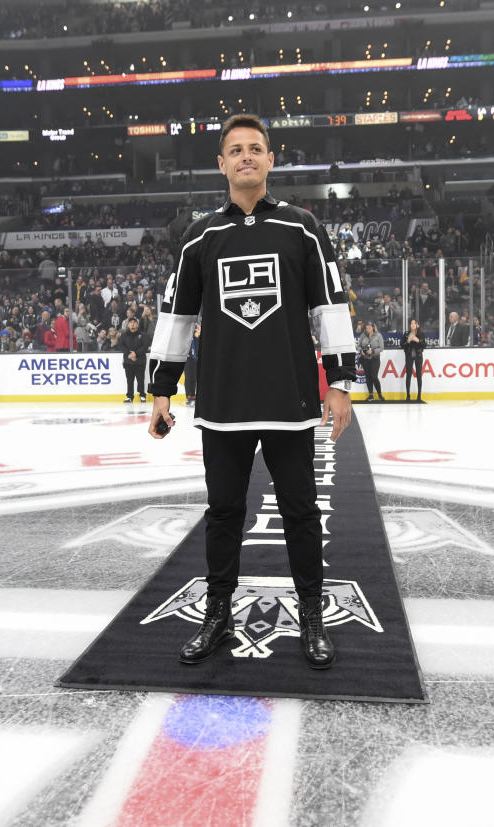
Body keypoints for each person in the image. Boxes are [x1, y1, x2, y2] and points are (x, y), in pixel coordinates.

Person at [145, 113, 355, 670]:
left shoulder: (303, 227)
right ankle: (218, 615)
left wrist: (339, 382)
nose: (245, 157)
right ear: (221, 163)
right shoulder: (200, 235)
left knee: (302, 513)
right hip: (224, 401)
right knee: (223, 514)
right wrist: (162, 387)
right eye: (235, 149)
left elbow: (329, 307)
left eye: (255, 149)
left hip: (288, 399)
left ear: (270, 160)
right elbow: (178, 315)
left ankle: (311, 613)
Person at [120, 315, 147, 403]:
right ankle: (130, 396)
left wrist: (136, 353)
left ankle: (142, 395)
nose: (132, 324)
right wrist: (129, 354)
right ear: (128, 325)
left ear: (137, 325)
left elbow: (145, 346)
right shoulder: (124, 335)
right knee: (129, 380)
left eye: (134, 323)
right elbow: (121, 346)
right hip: (128, 361)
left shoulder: (143, 335)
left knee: (140, 379)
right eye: (131, 323)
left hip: (140, 361)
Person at [358, 321, 385, 401]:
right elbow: (358, 345)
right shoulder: (363, 335)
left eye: (369, 328)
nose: (367, 329)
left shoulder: (378, 335)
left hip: (375, 358)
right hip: (365, 359)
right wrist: (361, 351)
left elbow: (381, 348)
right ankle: (371, 395)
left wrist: (372, 351)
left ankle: (380, 395)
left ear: (373, 327)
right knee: (368, 377)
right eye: (366, 328)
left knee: (374, 376)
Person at [403, 318, 425, 402]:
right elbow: (402, 345)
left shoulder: (421, 334)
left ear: (417, 325)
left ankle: (419, 395)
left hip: (418, 356)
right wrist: (408, 341)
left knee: (419, 375)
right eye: (411, 323)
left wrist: (417, 340)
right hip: (409, 356)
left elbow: (424, 345)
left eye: (414, 323)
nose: (412, 325)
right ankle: (408, 395)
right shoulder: (406, 334)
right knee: (408, 375)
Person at [184, 323, 201, 407]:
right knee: (188, 378)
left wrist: (200, 333)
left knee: (195, 378)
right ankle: (188, 396)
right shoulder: (184, 335)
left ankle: (195, 396)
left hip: (196, 359)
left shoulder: (197, 334)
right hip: (187, 358)